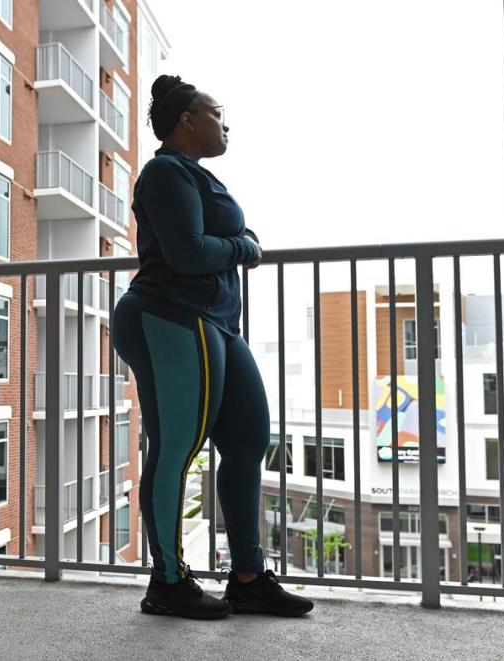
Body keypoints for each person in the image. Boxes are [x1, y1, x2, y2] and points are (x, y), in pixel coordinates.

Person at [111, 74, 314, 620]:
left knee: (249, 437)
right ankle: (169, 582)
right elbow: (187, 253)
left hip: (216, 322)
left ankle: (247, 577)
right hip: (169, 314)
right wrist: (244, 246)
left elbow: (203, 247)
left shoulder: (195, 175)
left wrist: (233, 248)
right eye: (218, 114)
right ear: (187, 120)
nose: (226, 125)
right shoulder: (165, 171)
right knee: (176, 447)